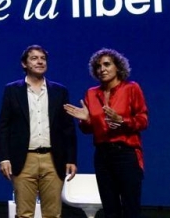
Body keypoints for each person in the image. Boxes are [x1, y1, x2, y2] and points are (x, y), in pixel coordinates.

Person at [64, 48, 149, 218]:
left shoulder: (131, 88)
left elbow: (143, 120)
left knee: (131, 207)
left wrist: (122, 121)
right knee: (110, 208)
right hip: (102, 155)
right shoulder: (91, 93)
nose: (102, 69)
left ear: (118, 67)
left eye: (106, 64)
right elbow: (87, 130)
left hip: (126, 153)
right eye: (98, 66)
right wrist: (86, 120)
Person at [0, 45, 77, 218]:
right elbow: (4, 126)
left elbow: (67, 128)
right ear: (24, 64)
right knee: (24, 214)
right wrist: (4, 157)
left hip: (53, 159)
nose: (40, 61)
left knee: (53, 214)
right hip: (24, 159)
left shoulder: (59, 91)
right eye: (34, 58)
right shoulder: (12, 90)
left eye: (43, 58)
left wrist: (71, 158)